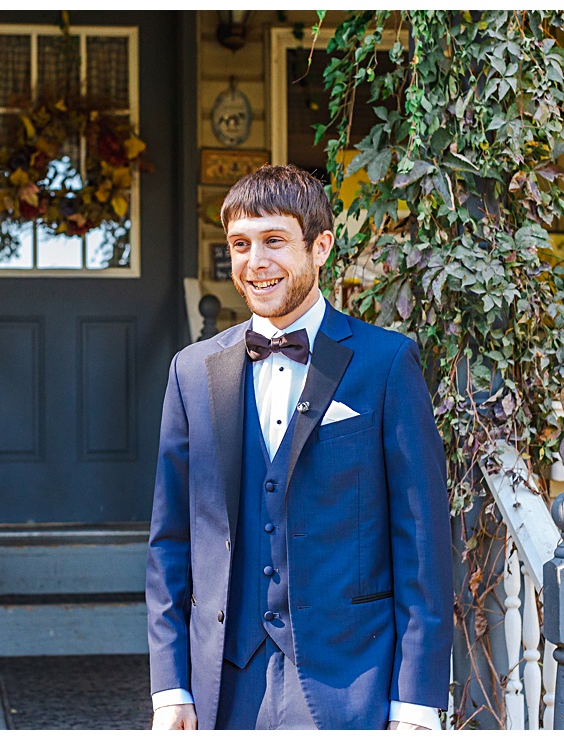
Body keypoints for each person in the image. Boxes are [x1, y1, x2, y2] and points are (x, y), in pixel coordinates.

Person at [147, 164, 453, 730]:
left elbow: (423, 546)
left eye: (274, 241)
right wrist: (171, 687)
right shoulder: (192, 372)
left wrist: (415, 705)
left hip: (352, 683)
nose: (255, 262)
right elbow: (171, 542)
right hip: (224, 685)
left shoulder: (386, 364)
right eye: (241, 244)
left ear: (320, 248)